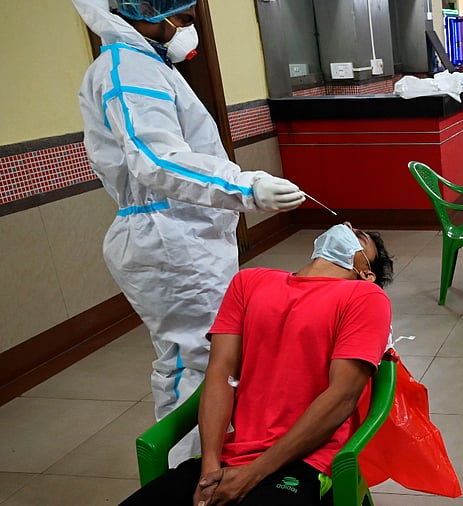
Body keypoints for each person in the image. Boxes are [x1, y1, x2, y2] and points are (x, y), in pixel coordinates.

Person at [71, 0, 307, 462]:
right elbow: (156, 160)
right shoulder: (128, 69)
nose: (187, 27)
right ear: (143, 10)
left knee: (212, 356)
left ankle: (214, 457)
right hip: (168, 240)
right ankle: (190, 472)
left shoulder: (148, 64)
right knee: (195, 363)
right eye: (180, 17)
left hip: (185, 237)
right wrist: (247, 186)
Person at [120, 222, 394, 506]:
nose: (346, 226)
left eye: (358, 235)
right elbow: (220, 374)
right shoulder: (249, 281)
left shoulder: (366, 297)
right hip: (232, 455)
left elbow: (342, 398)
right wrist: (210, 467)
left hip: (307, 461)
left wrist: (252, 474)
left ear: (366, 272)